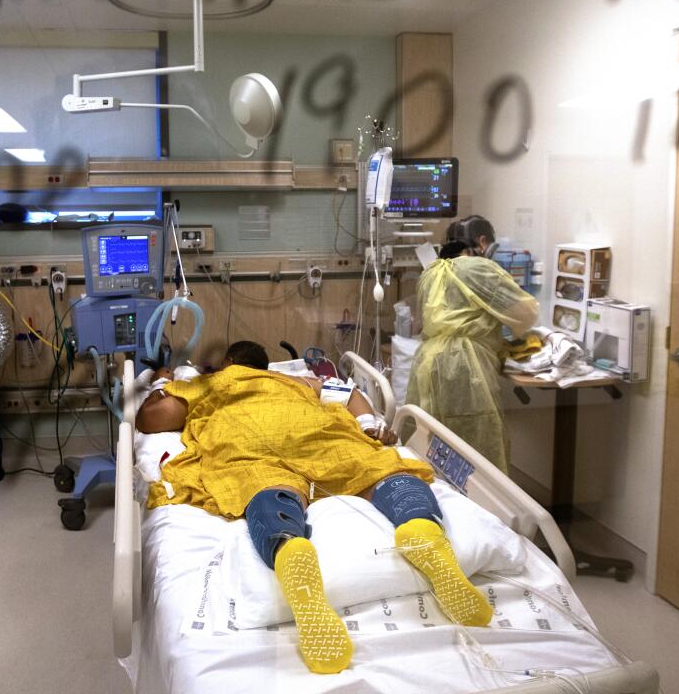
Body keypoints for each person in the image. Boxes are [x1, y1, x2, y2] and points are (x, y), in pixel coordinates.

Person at [137, 340, 493, 674]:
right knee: (380, 470)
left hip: (244, 440)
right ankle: (421, 527)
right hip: (318, 434)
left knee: (264, 484)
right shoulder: (299, 380)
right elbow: (352, 394)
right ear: (265, 365)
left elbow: (153, 418)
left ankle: (288, 547)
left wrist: (163, 383)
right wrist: (370, 426)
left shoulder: (210, 383)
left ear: (229, 363)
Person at [408, 216, 539, 474]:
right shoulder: (479, 268)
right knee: (475, 447)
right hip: (465, 365)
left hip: (427, 363)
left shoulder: (430, 272)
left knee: (431, 445)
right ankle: (484, 509)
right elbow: (526, 314)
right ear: (482, 242)